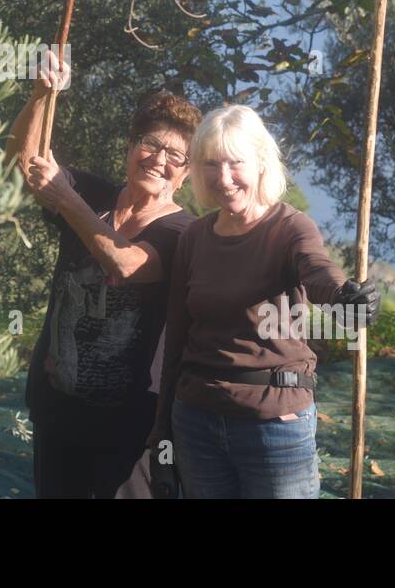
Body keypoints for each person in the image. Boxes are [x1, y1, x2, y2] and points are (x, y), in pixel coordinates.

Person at [147, 104, 381, 498]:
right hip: (196, 420)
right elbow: (177, 338)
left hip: (275, 424)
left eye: (235, 163)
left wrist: (346, 298)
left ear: (260, 163)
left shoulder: (290, 228)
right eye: (211, 164)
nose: (224, 178)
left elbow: (318, 270)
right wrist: (162, 432)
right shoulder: (194, 238)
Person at [6, 50, 201, 498]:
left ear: (186, 173)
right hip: (56, 407)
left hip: (130, 430)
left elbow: (128, 265)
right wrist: (41, 94)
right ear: (130, 147)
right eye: (150, 144)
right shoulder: (94, 194)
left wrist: (67, 201)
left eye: (175, 154)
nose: (158, 158)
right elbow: (26, 163)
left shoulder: (182, 230)